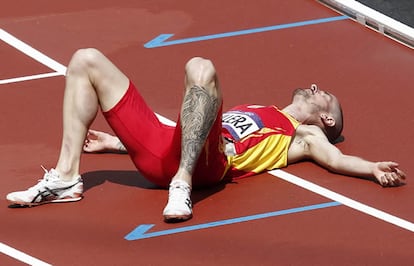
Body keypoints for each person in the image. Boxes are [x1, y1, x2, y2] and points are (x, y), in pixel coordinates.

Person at [6, 48, 406, 223]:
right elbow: (189, 125)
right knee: (85, 59)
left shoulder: (302, 136)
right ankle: (66, 177)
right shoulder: (258, 108)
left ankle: (181, 184)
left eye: (326, 96)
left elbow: (336, 161)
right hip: (169, 152)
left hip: (208, 168)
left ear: (328, 122)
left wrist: (371, 168)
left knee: (201, 66)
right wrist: (117, 143)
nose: (316, 88)